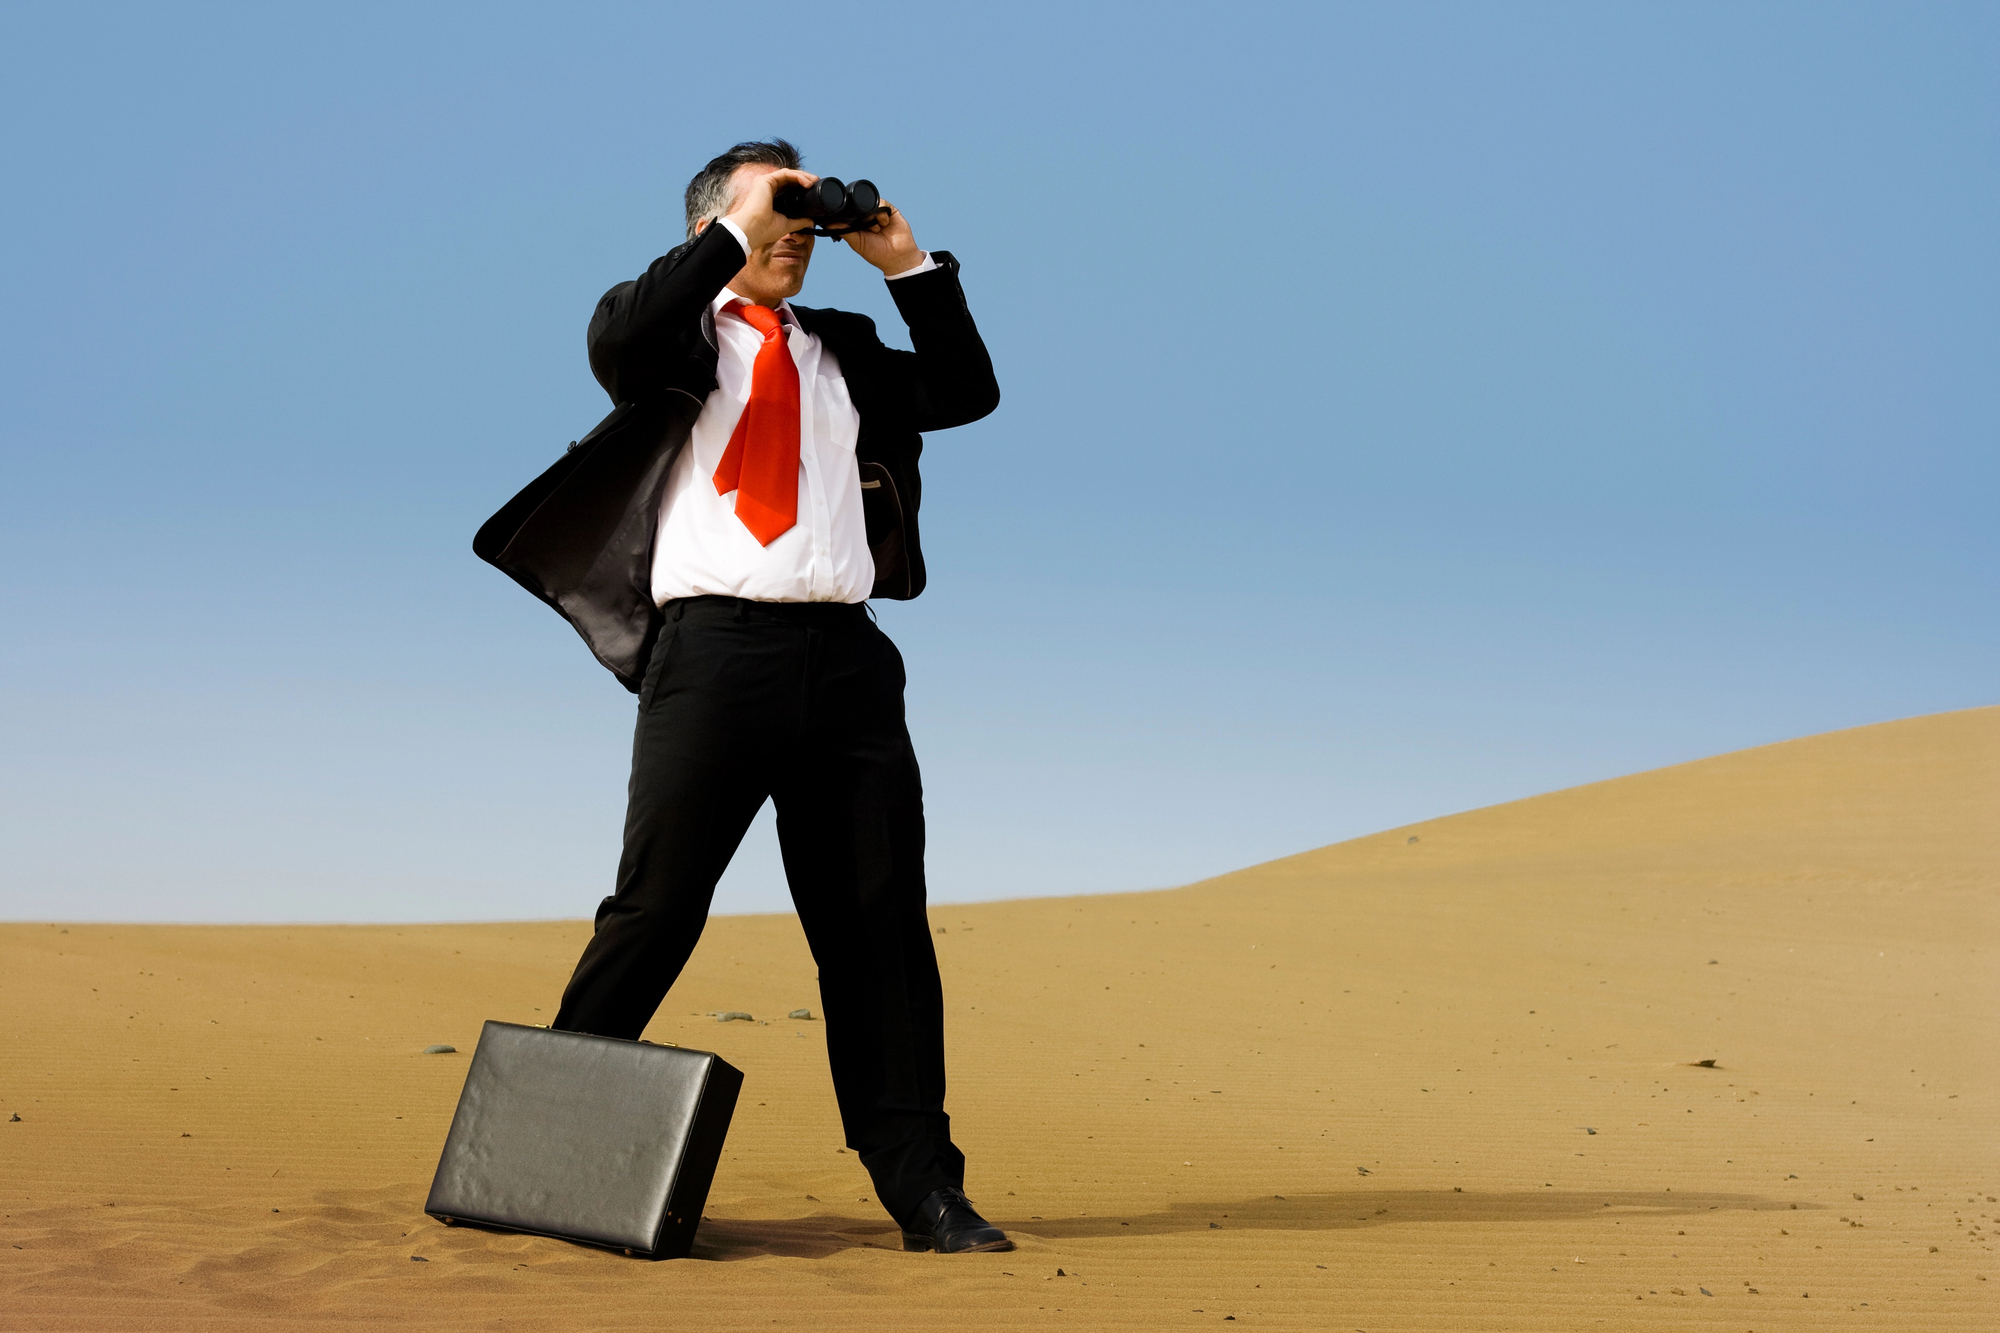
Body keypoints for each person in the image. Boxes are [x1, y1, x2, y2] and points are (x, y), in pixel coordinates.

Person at [475, 140, 1006, 1253]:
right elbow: (620, 335)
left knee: (876, 930)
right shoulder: (664, 340)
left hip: (850, 665)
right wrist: (742, 223)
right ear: (707, 224)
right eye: (777, 210)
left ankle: (925, 1191)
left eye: (806, 216)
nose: (798, 231)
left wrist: (905, 265)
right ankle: (532, 1155)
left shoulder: (842, 349)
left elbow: (965, 391)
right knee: (656, 908)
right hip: (713, 655)